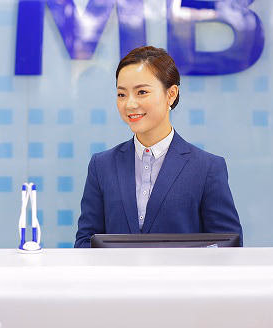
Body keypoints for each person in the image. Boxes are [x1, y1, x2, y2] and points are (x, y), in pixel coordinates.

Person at [75, 46, 242, 248]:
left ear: (171, 94)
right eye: (121, 94)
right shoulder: (102, 166)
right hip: (116, 271)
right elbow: (85, 242)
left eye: (142, 92)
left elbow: (228, 246)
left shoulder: (207, 168)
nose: (130, 104)